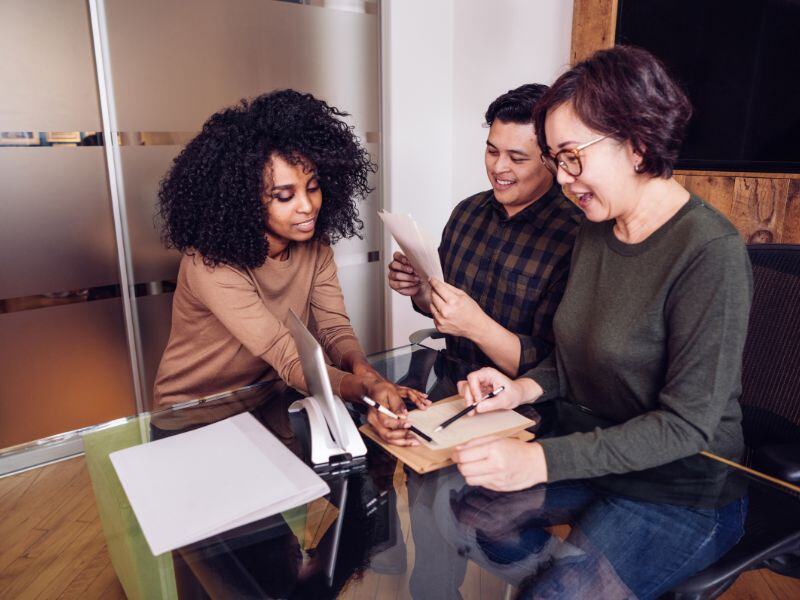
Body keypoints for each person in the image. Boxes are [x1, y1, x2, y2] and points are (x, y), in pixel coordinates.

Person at [450, 46, 752, 598]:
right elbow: (576, 358)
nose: (562, 177)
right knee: (473, 509)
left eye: (571, 156)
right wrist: (520, 388)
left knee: (559, 591)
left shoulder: (710, 252)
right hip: (602, 455)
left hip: (684, 486)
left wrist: (539, 459)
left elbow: (687, 427)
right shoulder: (596, 227)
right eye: (554, 158)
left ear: (637, 144)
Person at [153, 90, 428, 446]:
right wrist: (362, 389)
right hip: (193, 416)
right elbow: (285, 354)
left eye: (313, 188)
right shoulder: (210, 264)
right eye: (284, 196)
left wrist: (367, 374)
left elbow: (333, 328)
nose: (307, 206)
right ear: (244, 200)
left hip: (266, 402)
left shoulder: (314, 247)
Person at [387, 84, 582, 376]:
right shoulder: (467, 213)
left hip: (528, 409)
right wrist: (420, 291)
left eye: (517, 158)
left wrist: (477, 327)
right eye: (492, 151)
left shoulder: (574, 238)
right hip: (453, 385)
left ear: (552, 160)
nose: (498, 167)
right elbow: (438, 307)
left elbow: (557, 367)